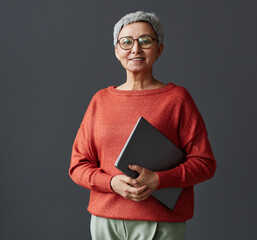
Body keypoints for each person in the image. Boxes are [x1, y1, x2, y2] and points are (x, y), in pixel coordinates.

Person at [69, 11, 216, 240]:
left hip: (161, 222)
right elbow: (78, 166)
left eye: (145, 41)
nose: (135, 49)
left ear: (160, 49)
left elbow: (204, 163)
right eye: (126, 42)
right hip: (106, 221)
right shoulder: (100, 100)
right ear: (116, 50)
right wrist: (110, 183)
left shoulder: (177, 99)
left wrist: (159, 180)